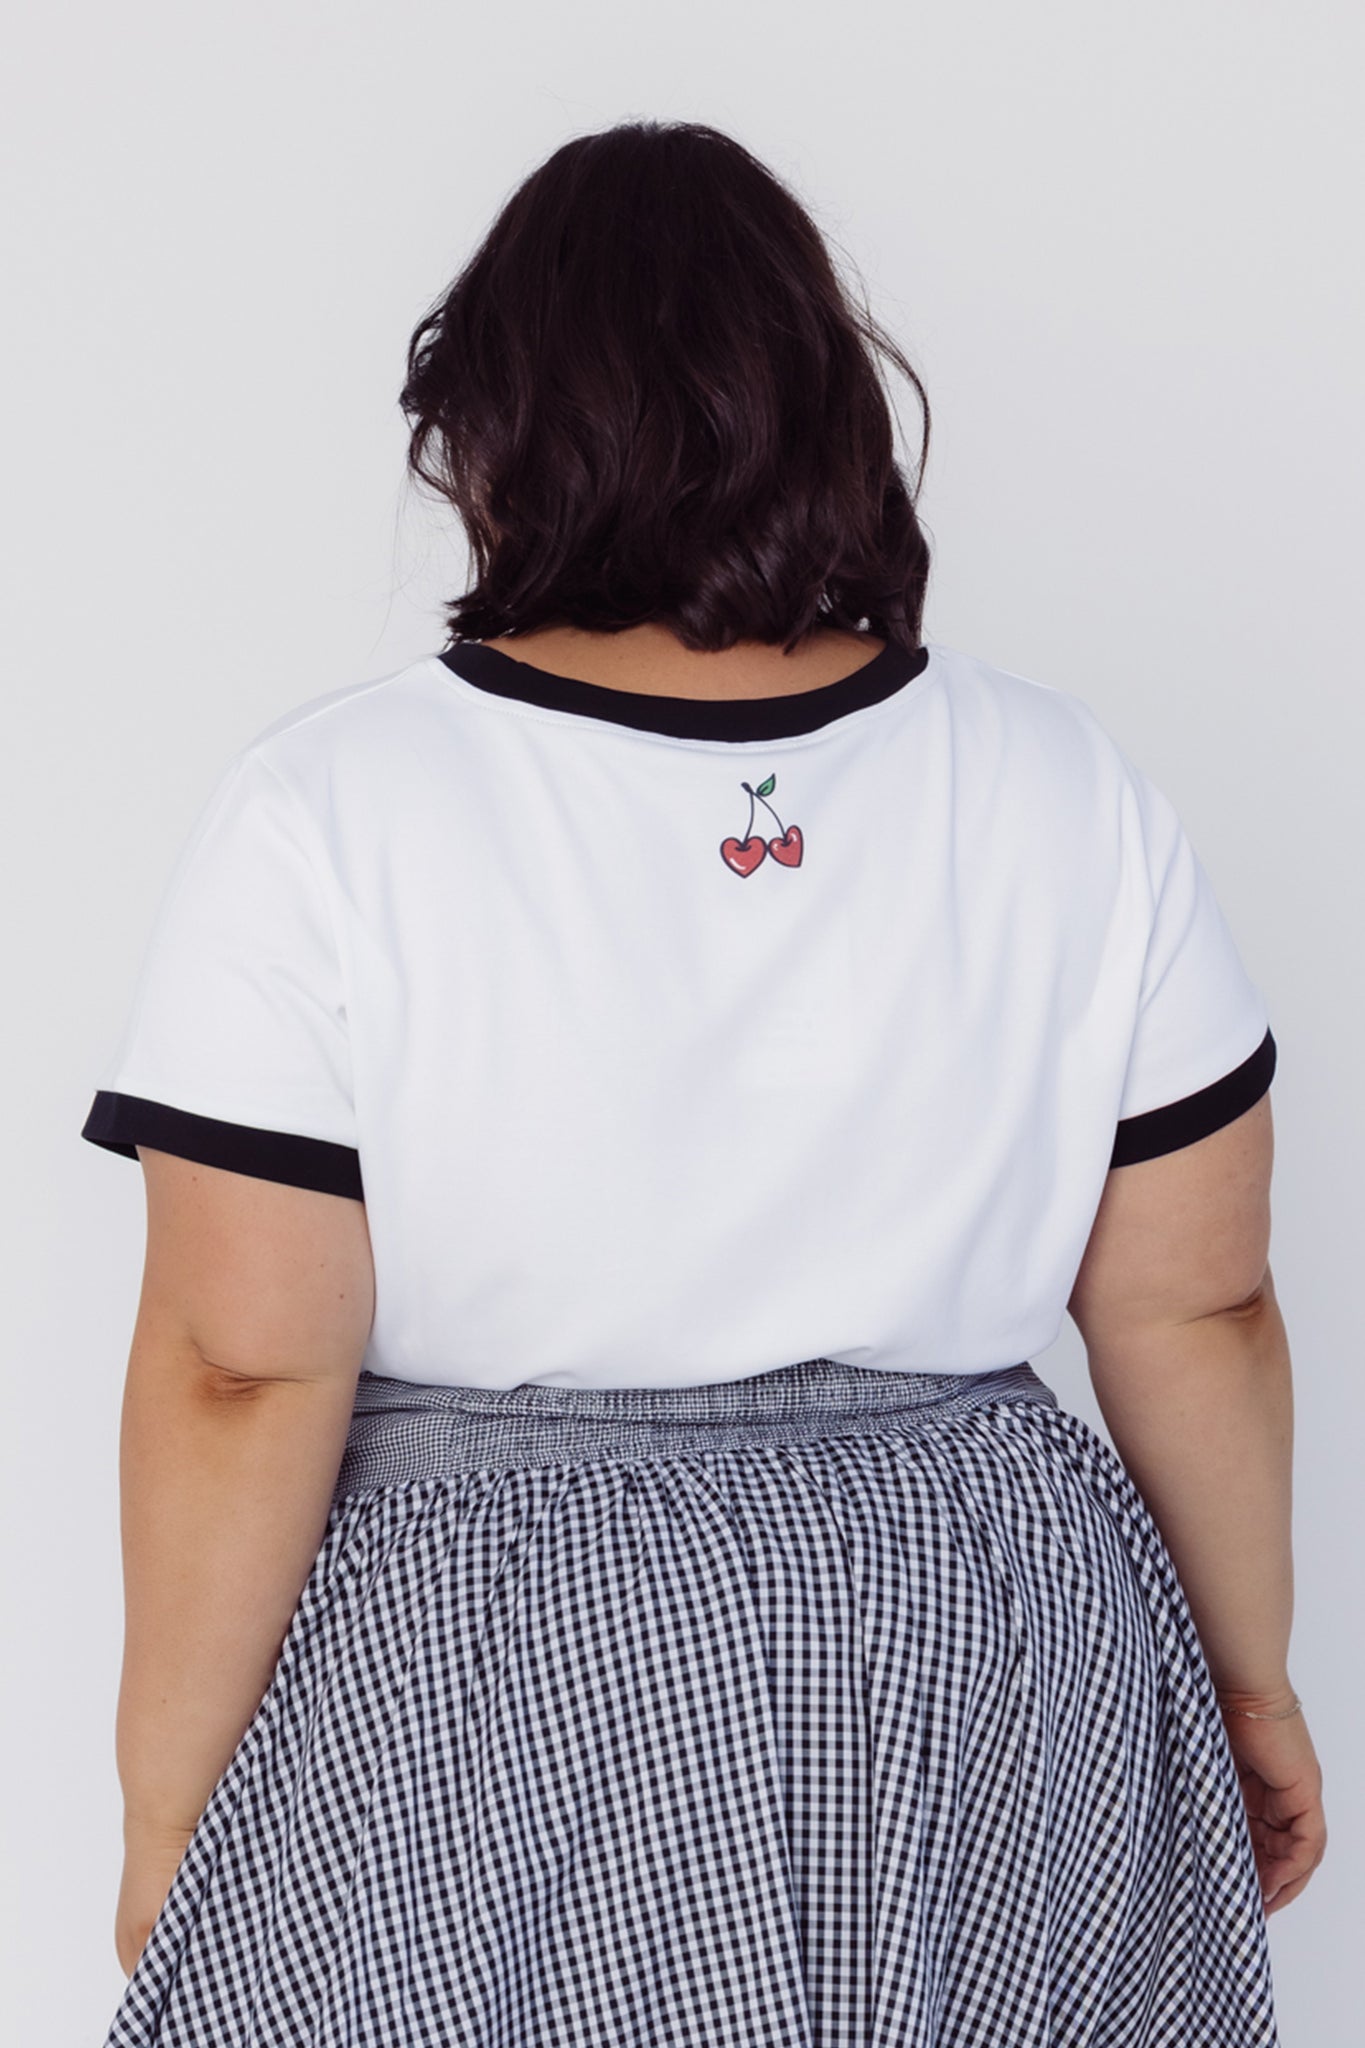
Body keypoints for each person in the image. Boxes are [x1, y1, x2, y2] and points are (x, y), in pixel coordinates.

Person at [82, 119, 1324, 2048]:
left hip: (491, 1648)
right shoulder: (1061, 782)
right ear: (832, 408)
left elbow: (245, 1370)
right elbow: (1197, 1299)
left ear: (484, 424)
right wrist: (1247, 1682)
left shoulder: (334, 808)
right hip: (985, 1630)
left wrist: (176, 1813)